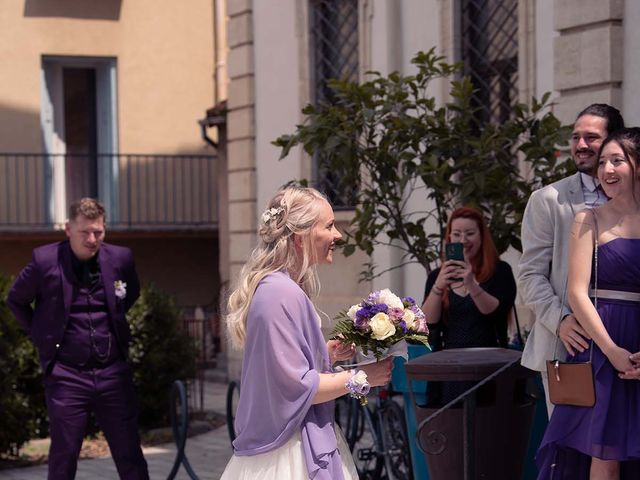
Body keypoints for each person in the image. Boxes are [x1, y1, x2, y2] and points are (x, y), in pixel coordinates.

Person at [221, 186, 393, 480]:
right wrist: (363, 377)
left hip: (294, 440)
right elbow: (294, 388)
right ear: (300, 238)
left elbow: (279, 369)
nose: (338, 235)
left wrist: (324, 353)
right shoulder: (280, 292)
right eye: (328, 226)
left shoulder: (281, 287)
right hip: (289, 452)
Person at [7, 198, 149, 480]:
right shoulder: (44, 260)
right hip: (67, 374)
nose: (92, 239)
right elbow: (15, 299)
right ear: (68, 229)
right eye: (85, 232)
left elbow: (129, 294)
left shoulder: (121, 258)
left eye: (98, 231)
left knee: (129, 453)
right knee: (64, 455)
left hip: (112, 371)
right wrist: (40, 334)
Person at [536, 128, 640, 479]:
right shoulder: (588, 218)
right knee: (604, 456)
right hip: (602, 346)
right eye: (604, 162)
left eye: (618, 160)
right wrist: (612, 351)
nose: (607, 169)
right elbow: (577, 292)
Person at [518, 104, 624, 416]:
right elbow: (530, 276)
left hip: (627, 339)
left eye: (591, 137)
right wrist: (560, 320)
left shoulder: (634, 200)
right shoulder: (549, 200)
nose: (579, 145)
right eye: (575, 137)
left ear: (614, 141)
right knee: (570, 451)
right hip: (568, 347)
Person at [421, 207, 517, 404]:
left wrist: (471, 283)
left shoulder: (500, 272)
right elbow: (428, 324)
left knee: (488, 428)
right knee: (452, 428)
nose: (463, 240)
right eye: (456, 234)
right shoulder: (438, 276)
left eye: (470, 233)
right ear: (449, 238)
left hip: (490, 367)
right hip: (449, 369)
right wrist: (439, 286)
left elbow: (497, 312)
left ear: (482, 236)